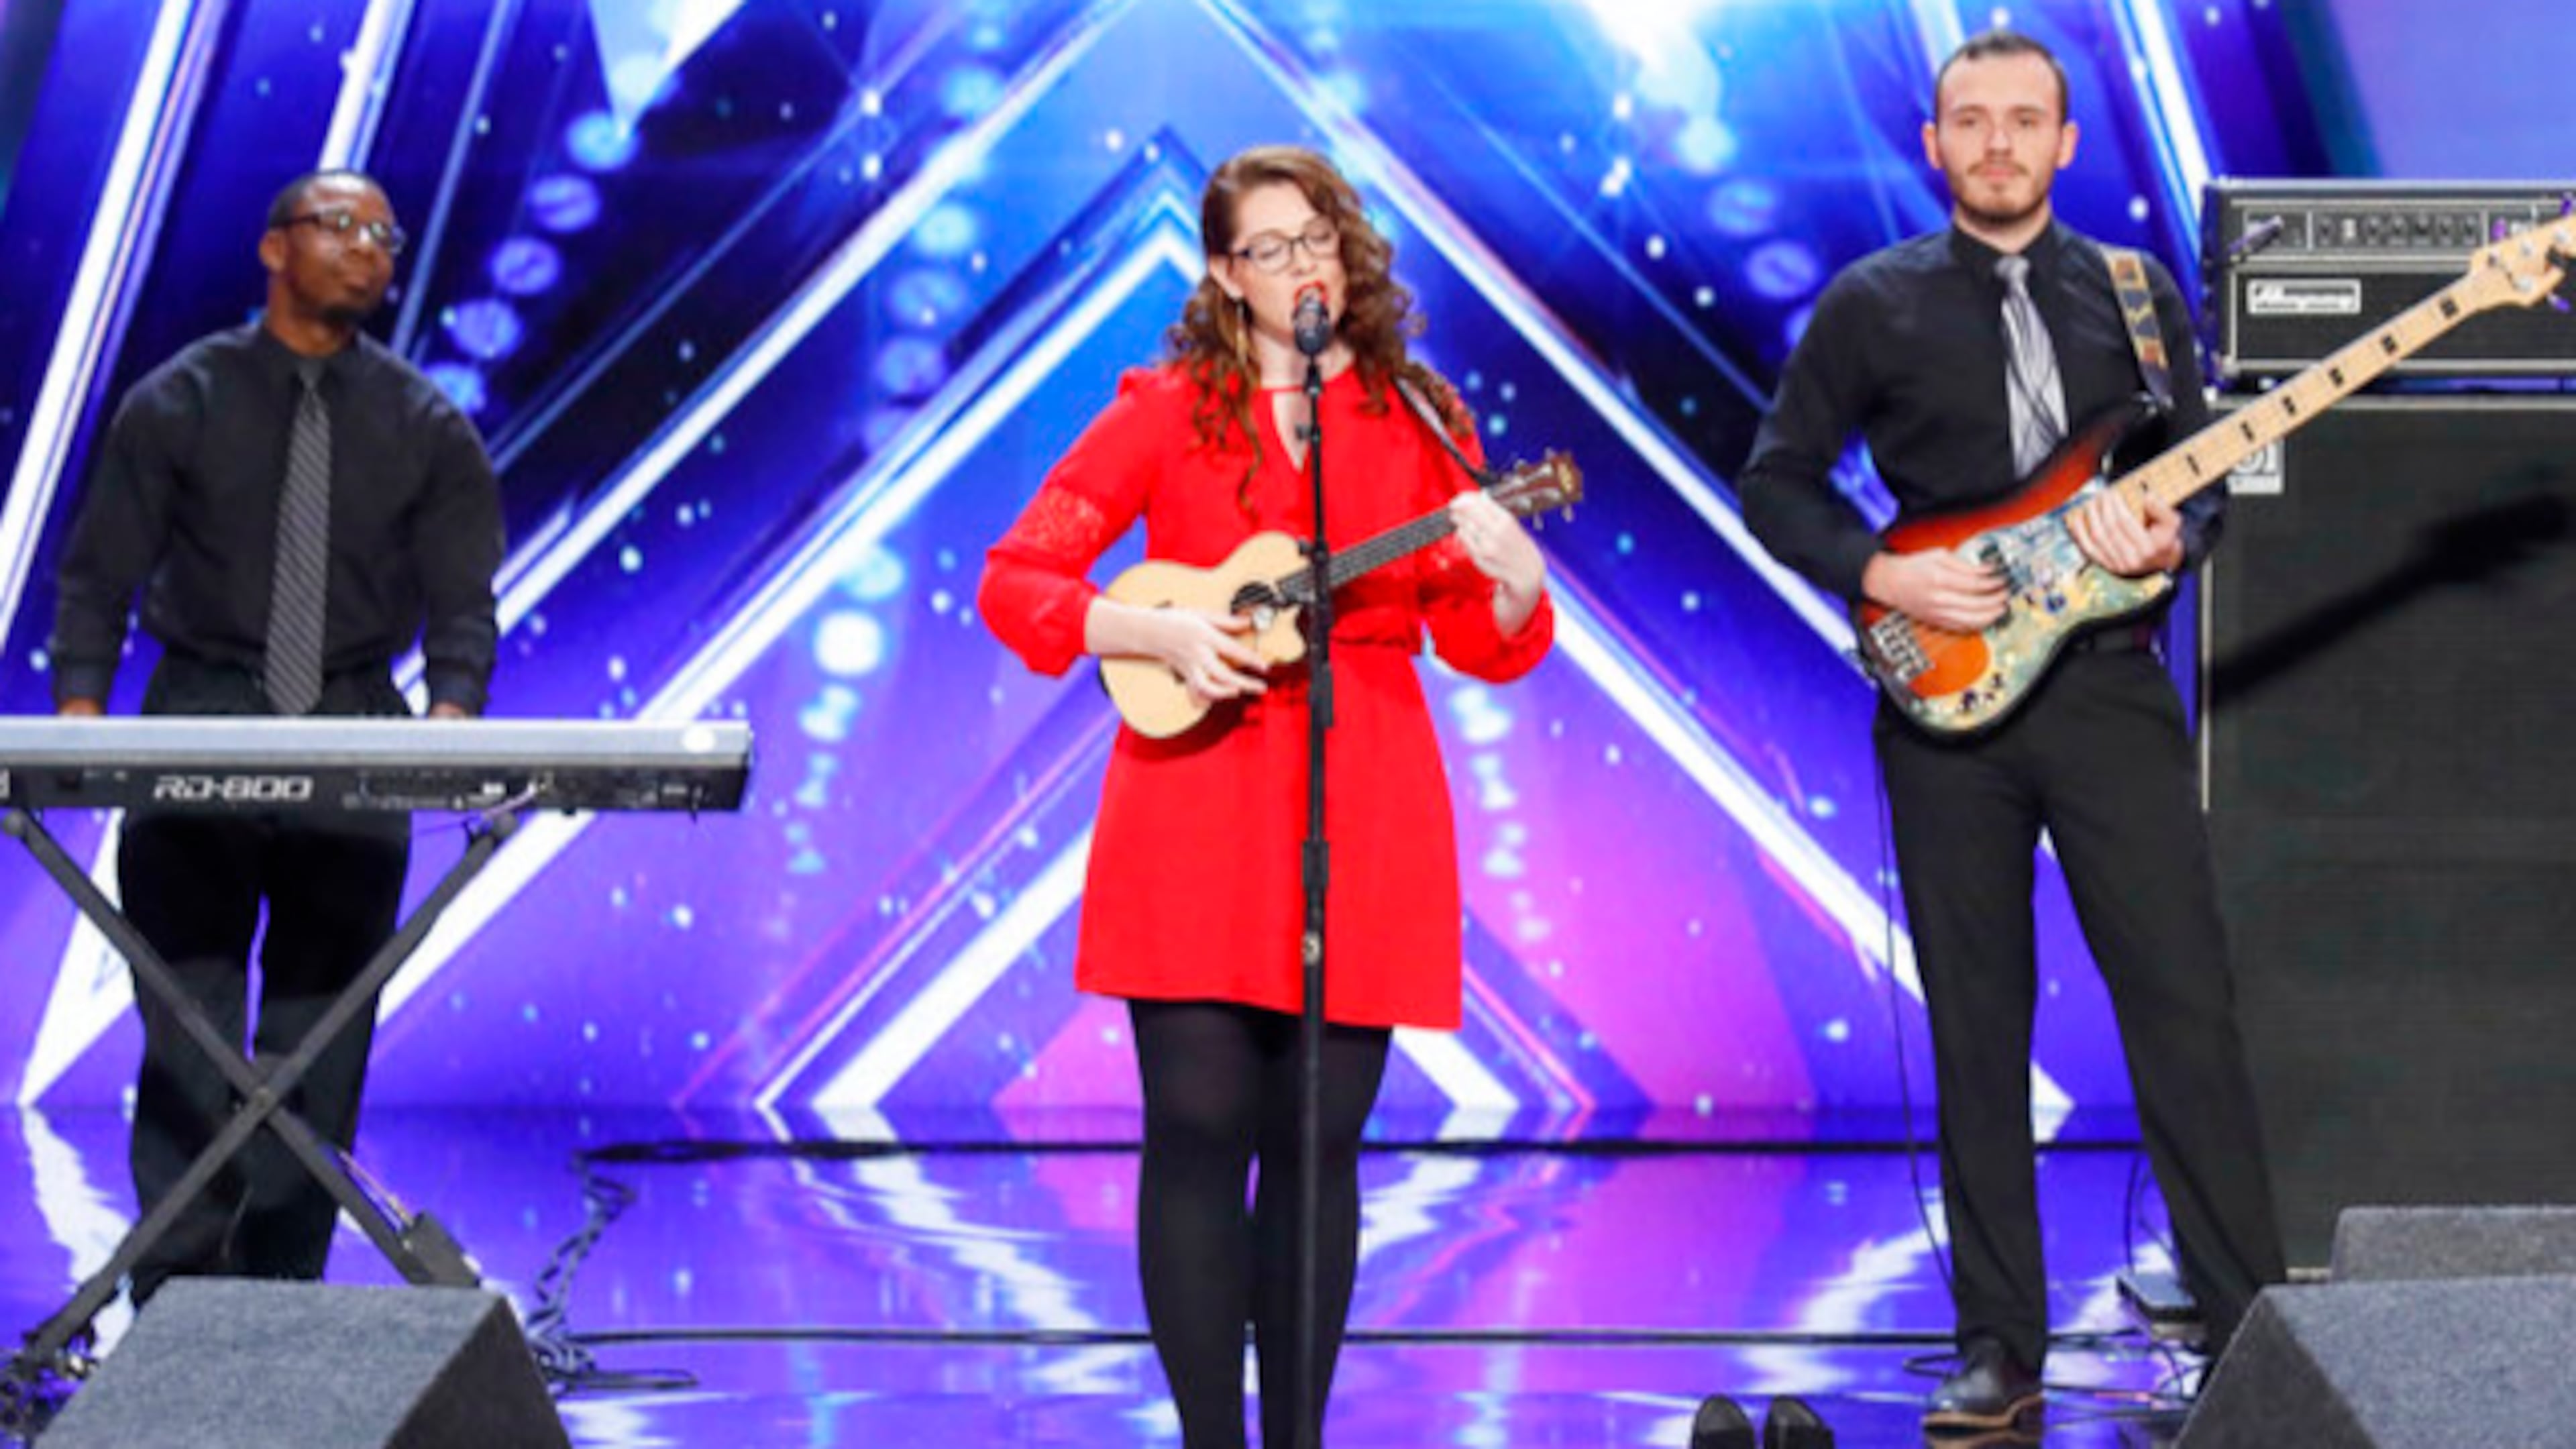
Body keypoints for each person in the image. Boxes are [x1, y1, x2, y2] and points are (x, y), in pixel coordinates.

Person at [1739, 31, 2286, 1434]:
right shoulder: (1871, 305)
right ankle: (2000, 1348)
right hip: (1948, 706)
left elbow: (2205, 464)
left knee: (2188, 1012)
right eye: (1969, 121)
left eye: (2023, 120)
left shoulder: (2136, 292)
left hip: (2108, 694)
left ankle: (2251, 1334)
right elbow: (1779, 484)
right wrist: (1879, 569)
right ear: (1935, 146)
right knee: (1979, 1032)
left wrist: (2175, 530)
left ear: (2064, 144)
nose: (1997, 143)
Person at [979, 145, 1552, 1448]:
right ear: (1225, 277)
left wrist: (1511, 574)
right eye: (1273, 248)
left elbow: (1483, 635)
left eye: (1322, 240)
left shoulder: (1421, 420)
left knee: (1314, 1143)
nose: (1304, 266)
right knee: (1197, 1123)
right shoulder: (1168, 409)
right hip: (1194, 793)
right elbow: (1018, 579)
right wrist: (1151, 632)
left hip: (1368, 796)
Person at [50, 168, 503, 1306]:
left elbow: (463, 605)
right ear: (273, 247)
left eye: (386, 237)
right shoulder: (179, 401)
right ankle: (177, 1309)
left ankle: (279, 1303)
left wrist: (448, 722)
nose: (368, 250)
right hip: (199, 712)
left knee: (321, 1041)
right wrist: (80, 722)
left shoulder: (426, 426)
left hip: (356, 728)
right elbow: (99, 575)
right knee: (190, 1030)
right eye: (341, 227)